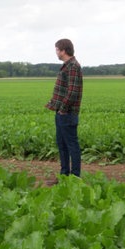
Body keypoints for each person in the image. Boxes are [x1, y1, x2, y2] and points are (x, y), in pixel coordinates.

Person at [45, 38, 83, 180]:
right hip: (61, 112)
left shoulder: (73, 66)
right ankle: (64, 175)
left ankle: (75, 177)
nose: (56, 52)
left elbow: (72, 92)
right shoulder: (67, 65)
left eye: (57, 49)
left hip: (67, 113)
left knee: (72, 145)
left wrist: (62, 108)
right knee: (62, 145)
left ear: (63, 50)